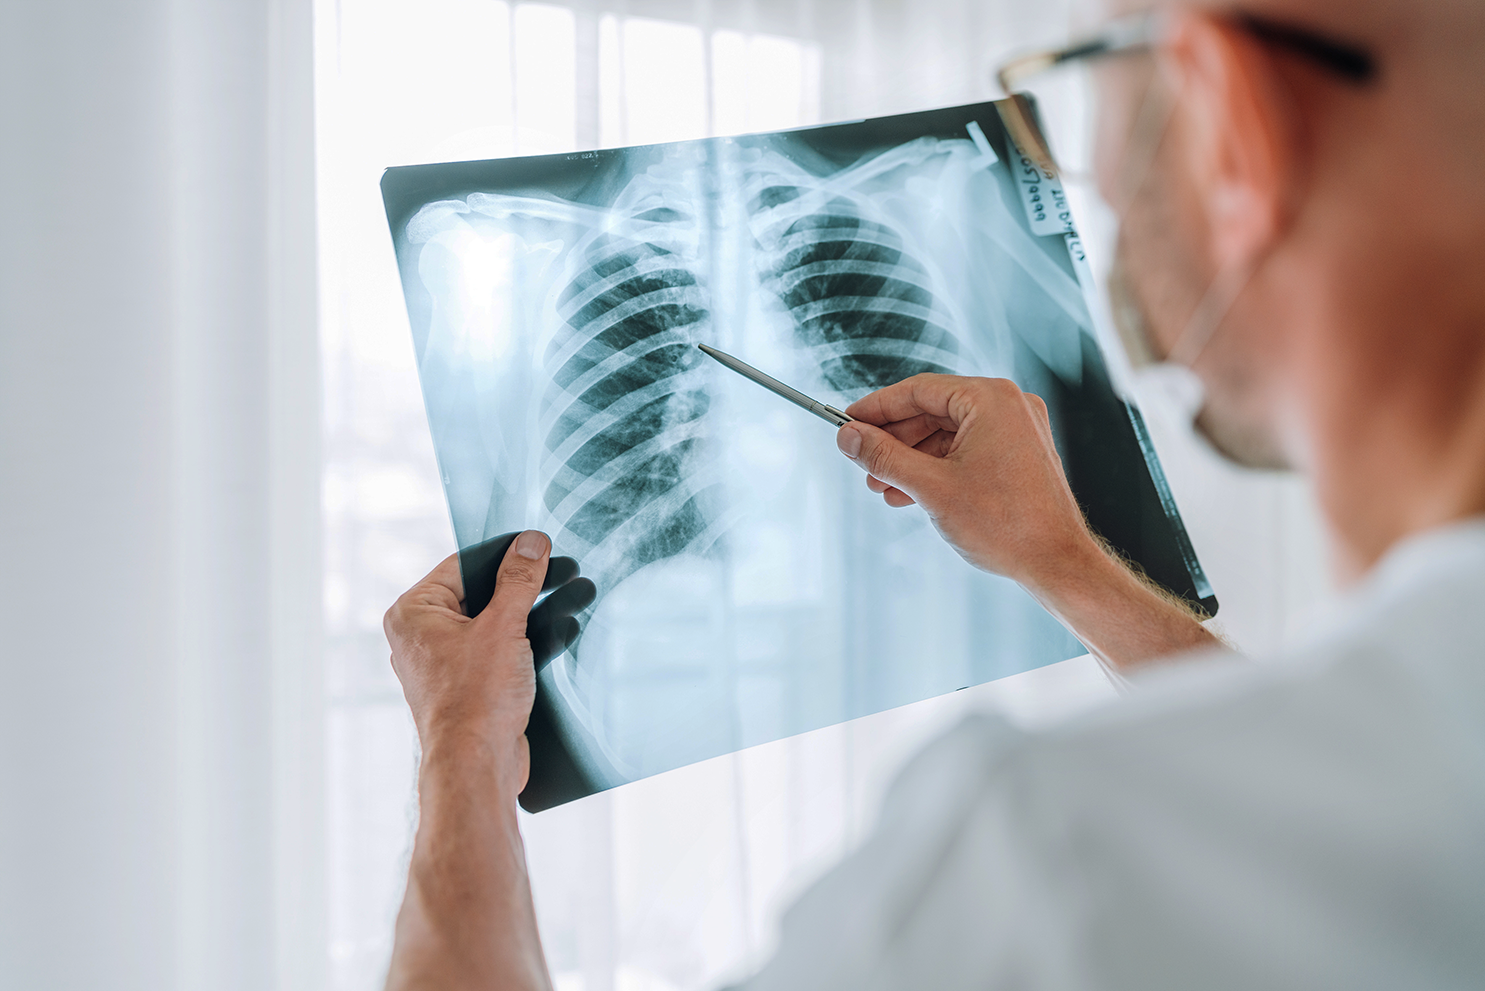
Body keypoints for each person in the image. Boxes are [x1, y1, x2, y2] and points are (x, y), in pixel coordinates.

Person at [380, 0, 1485, 986]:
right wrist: (1059, 556)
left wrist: (462, 752)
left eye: (1087, 60)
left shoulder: (1049, 861)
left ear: (1232, 118)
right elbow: (1315, 787)